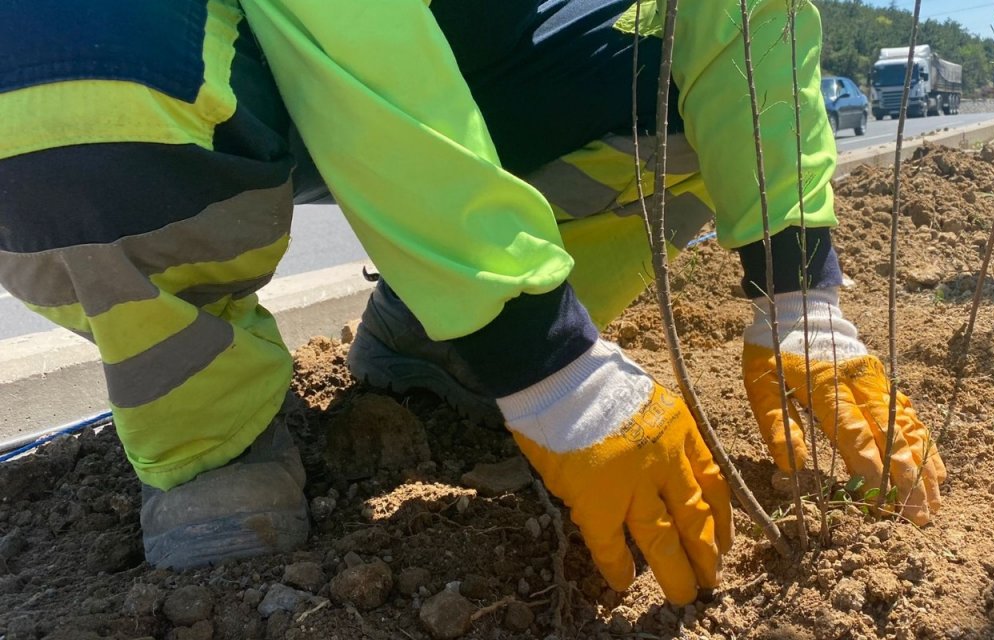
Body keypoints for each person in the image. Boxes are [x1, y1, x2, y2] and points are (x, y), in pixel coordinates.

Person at [0, 0, 945, 606]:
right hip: (215, 36)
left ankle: (436, 344)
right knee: (67, 63)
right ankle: (206, 431)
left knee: (674, 100)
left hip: (471, 56)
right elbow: (354, 31)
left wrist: (798, 295)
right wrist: (549, 364)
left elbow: (747, 22)